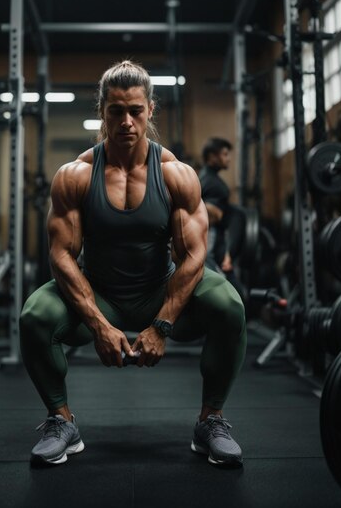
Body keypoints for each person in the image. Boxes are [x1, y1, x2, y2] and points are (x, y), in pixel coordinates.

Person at [20, 61, 247, 468]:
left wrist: (162, 325)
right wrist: (99, 325)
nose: (126, 121)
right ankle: (61, 421)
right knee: (35, 314)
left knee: (229, 306)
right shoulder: (75, 175)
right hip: (99, 292)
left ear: (150, 110)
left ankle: (211, 420)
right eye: (115, 111)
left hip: (160, 289)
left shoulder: (176, 174)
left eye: (135, 111)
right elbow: (61, 256)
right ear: (102, 111)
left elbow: (194, 256)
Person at [198, 138, 245, 301]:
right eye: (225, 154)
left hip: (214, 249)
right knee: (236, 297)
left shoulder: (204, 177)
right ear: (212, 157)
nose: (228, 158)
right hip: (212, 251)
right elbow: (209, 222)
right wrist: (223, 256)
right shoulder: (214, 184)